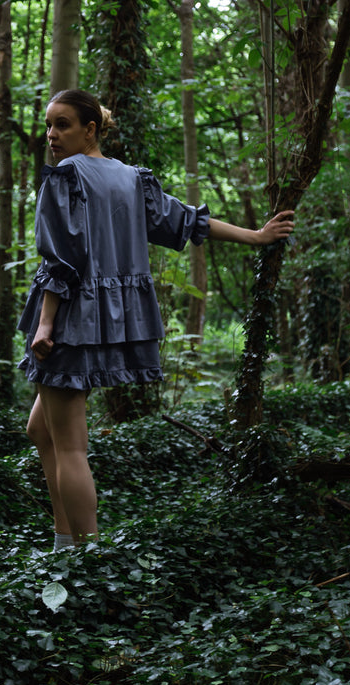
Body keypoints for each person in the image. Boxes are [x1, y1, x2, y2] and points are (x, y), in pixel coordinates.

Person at [20, 89, 295, 550]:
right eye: (49, 125)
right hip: (110, 321)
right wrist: (256, 236)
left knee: (70, 445)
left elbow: (61, 259)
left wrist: (45, 324)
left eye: (62, 124)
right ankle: (66, 538)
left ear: (90, 129)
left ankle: (81, 554)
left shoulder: (65, 177)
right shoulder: (131, 178)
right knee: (39, 429)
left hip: (71, 321)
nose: (51, 135)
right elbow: (185, 221)